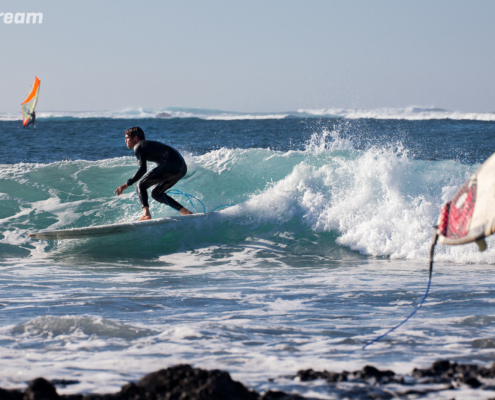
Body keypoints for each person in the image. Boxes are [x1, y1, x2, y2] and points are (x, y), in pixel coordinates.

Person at [114, 127, 193, 221]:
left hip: (171, 165)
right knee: (156, 193)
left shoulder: (139, 145)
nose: (125, 141)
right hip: (182, 168)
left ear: (135, 138)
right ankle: (184, 211)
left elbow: (142, 169)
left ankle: (146, 214)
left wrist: (127, 184)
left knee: (141, 185)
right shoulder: (147, 145)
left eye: (127, 138)